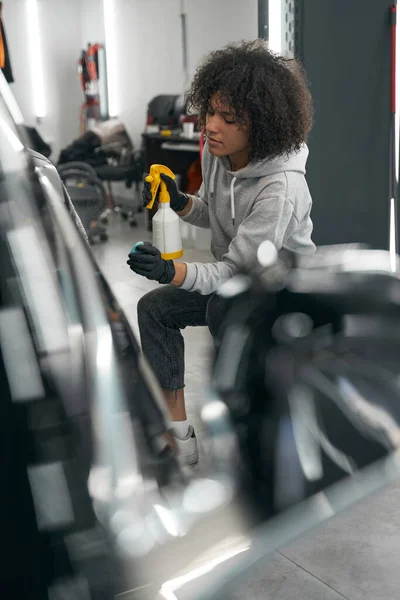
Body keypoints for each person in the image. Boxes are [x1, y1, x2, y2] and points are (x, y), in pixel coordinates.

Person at [127, 40, 315, 465]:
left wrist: (171, 271)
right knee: (154, 310)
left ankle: (249, 433)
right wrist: (179, 201)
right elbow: (216, 212)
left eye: (228, 119)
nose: (210, 126)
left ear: (261, 127)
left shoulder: (280, 189)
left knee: (220, 311)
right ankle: (178, 438)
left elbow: (234, 269)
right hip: (239, 284)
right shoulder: (219, 154)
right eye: (210, 112)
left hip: (281, 292)